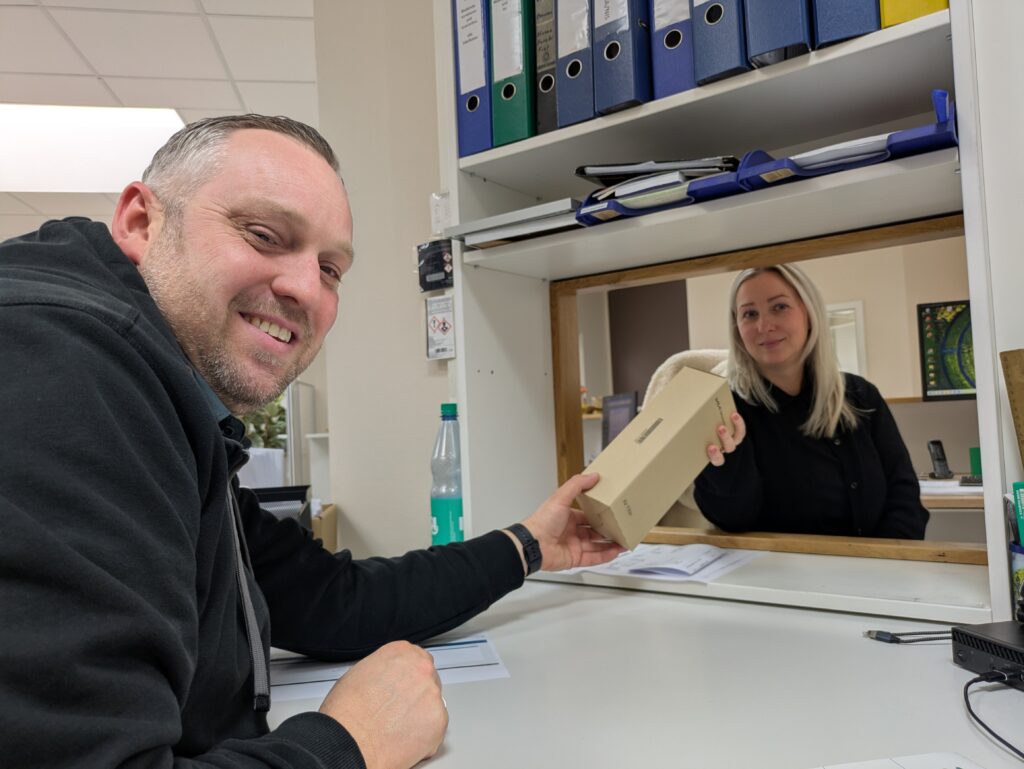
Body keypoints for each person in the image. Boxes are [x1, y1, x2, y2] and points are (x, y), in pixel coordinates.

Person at [0, 115, 624, 769]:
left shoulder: (171, 418)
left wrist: (532, 543)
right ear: (140, 223)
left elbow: (331, 599)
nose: (305, 288)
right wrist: (345, 744)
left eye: (330, 268)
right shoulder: (57, 368)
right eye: (265, 234)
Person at [693, 263, 929, 540]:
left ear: (808, 312)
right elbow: (732, 521)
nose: (764, 325)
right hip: (781, 575)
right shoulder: (726, 411)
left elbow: (904, 496)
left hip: (879, 571)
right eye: (749, 314)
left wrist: (884, 562)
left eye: (779, 307)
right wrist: (725, 465)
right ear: (737, 328)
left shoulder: (861, 394)